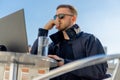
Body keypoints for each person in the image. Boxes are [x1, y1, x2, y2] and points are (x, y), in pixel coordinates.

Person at [31, 4, 108, 80]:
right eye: (55, 17)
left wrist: (64, 63)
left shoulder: (89, 39)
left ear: (73, 19)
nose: (57, 20)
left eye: (61, 16)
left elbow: (99, 70)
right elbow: (34, 59)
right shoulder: (54, 45)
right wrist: (44, 31)